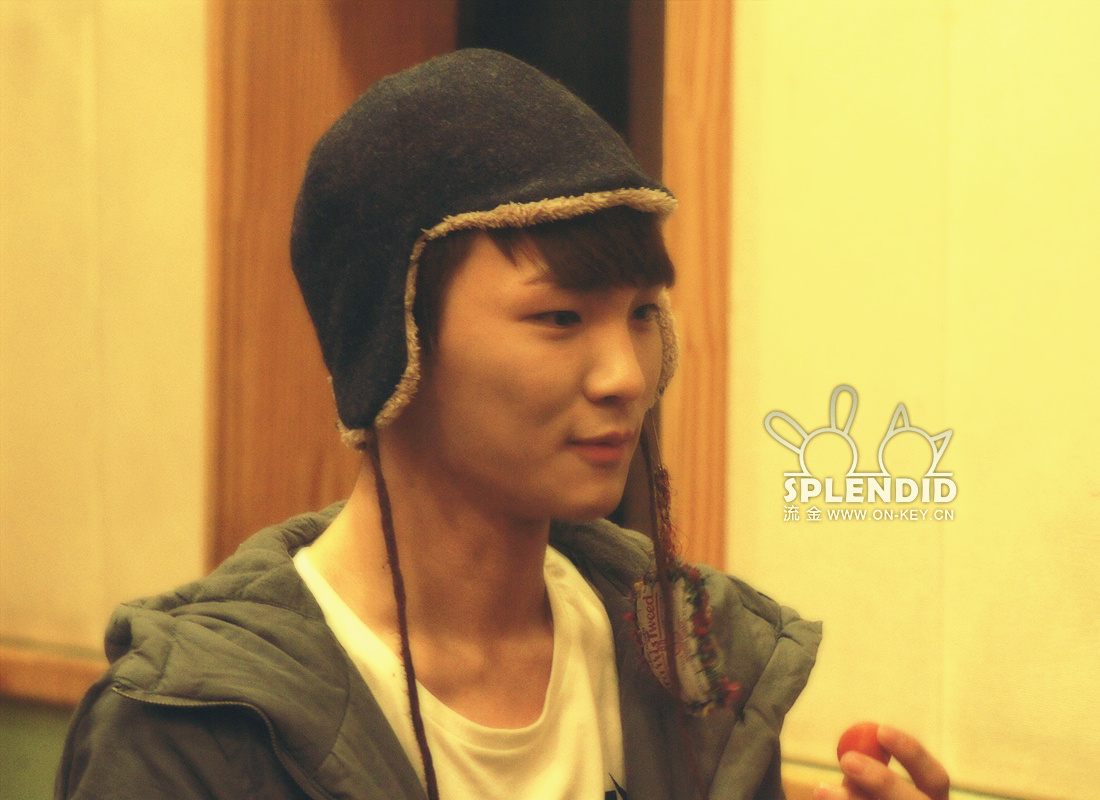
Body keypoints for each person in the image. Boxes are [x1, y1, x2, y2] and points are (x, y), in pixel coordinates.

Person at [55, 49, 949, 800]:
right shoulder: (194, 731)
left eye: (642, 312)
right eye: (560, 317)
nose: (626, 377)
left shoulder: (694, 672)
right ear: (395, 347)